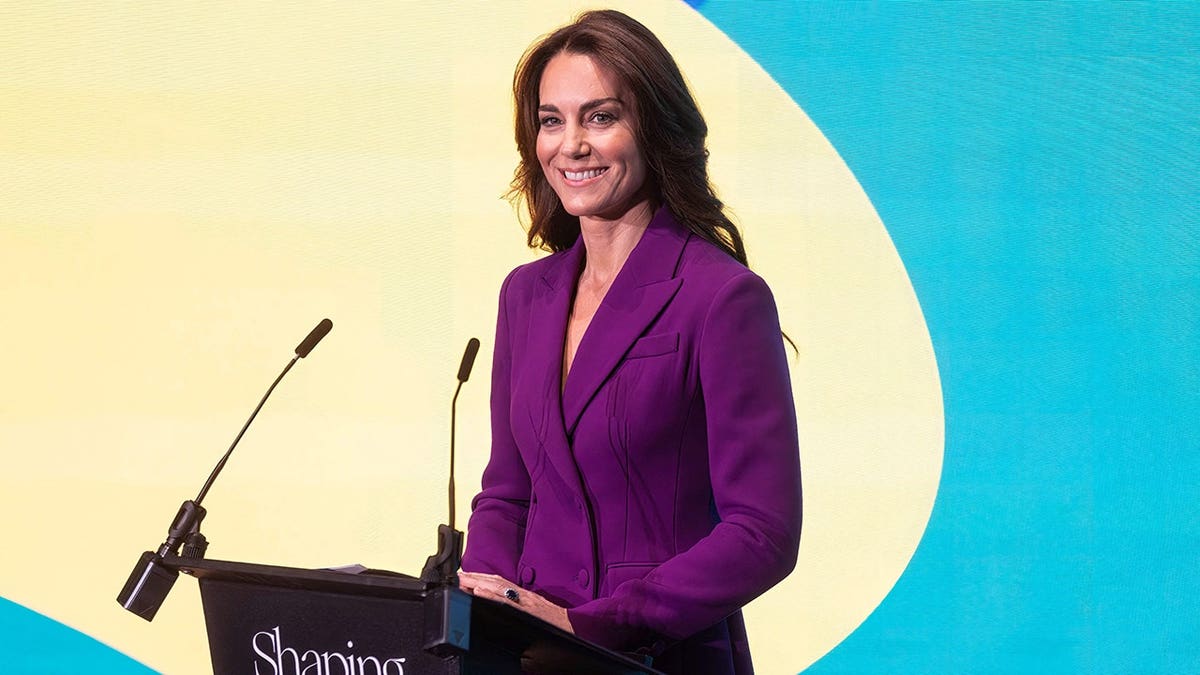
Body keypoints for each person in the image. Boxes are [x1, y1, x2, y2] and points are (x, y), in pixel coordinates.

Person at [457, 10, 802, 674]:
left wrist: (594, 624)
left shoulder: (722, 297)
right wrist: (485, 603)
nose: (571, 145)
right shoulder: (525, 296)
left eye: (600, 116)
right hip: (527, 657)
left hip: (657, 658)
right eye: (551, 120)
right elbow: (508, 491)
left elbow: (763, 533)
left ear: (652, 126)